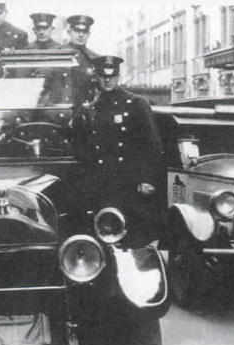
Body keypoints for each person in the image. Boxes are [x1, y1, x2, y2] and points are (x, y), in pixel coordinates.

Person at [78, 56, 164, 245]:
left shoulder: (136, 104)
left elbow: (152, 144)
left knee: (133, 241)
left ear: (118, 76)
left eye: (112, 75)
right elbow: (85, 148)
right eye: (103, 76)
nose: (107, 80)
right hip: (101, 185)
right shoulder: (90, 109)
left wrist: (147, 179)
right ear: (96, 77)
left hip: (130, 185)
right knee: (101, 239)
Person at [61, 15, 99, 107]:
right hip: (58, 112)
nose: (81, 35)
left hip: (84, 112)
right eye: (77, 31)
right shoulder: (57, 54)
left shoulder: (94, 59)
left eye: (84, 31)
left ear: (89, 34)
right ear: (69, 32)